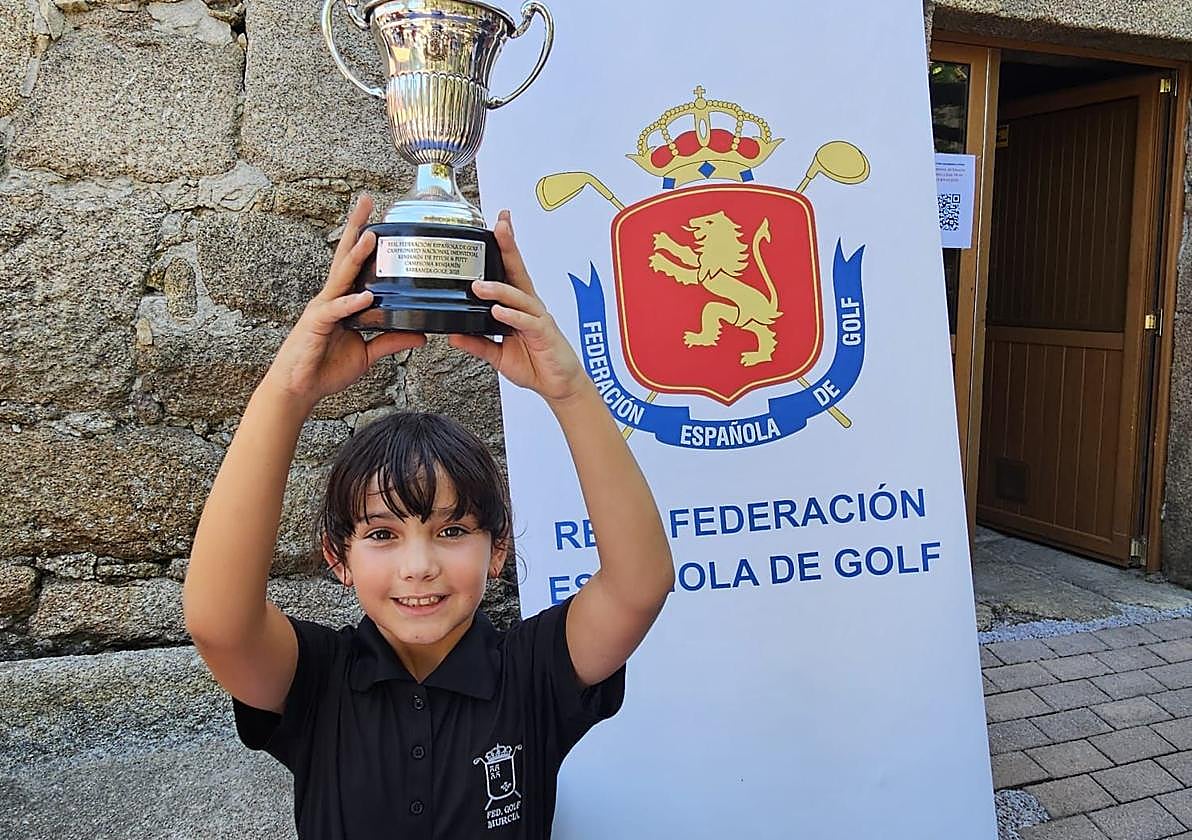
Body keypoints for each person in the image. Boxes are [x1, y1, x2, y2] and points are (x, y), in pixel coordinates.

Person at [182, 195, 675, 839]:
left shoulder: (531, 674)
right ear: (339, 558)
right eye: (382, 535)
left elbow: (640, 585)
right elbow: (218, 621)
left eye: (452, 531)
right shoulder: (317, 680)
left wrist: (569, 389)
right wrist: (288, 389)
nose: (420, 566)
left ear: (498, 551)